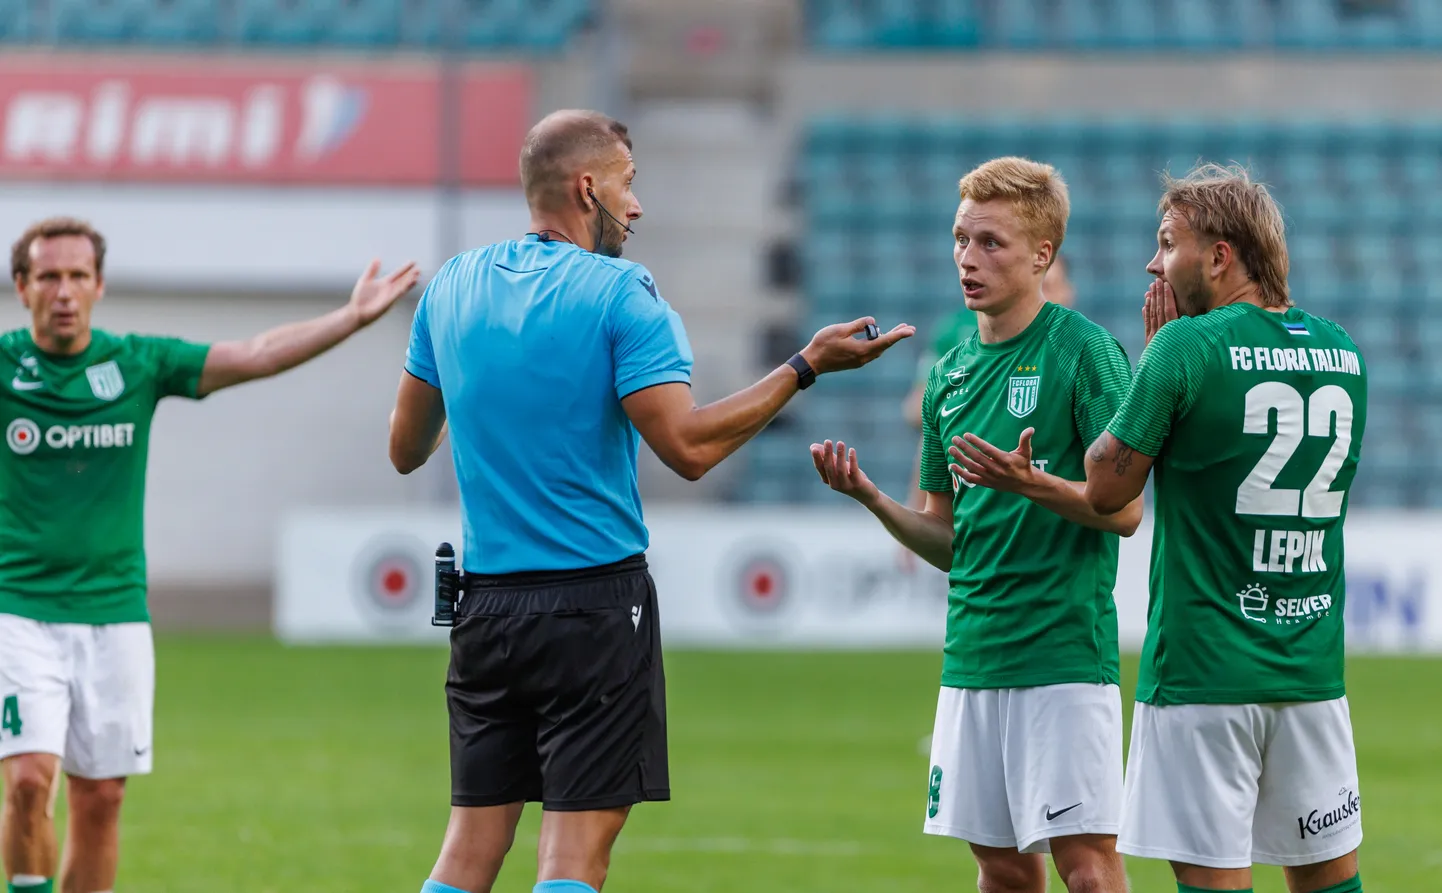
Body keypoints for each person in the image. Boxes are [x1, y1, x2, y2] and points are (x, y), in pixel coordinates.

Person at [387, 109, 912, 893]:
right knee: (572, 858)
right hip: (592, 607)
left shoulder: (453, 285)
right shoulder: (621, 293)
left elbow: (405, 448)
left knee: (466, 852)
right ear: (586, 187)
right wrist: (805, 366)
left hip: (485, 608)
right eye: (629, 186)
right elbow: (688, 448)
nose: (637, 206)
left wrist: (492, 402)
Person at [0, 217, 420, 893]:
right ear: (23, 287)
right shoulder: (3, 364)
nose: (65, 291)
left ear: (99, 285)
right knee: (26, 779)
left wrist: (348, 318)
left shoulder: (137, 361)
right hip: (17, 610)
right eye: (48, 275)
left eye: (78, 275)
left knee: (101, 796)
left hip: (115, 613)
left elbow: (255, 352)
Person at [809, 157, 1139, 893]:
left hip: (1062, 656)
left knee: (1086, 864)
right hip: (971, 657)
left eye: (990, 242)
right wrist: (870, 497)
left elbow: (1125, 511)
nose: (968, 257)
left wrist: (1034, 483)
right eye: (961, 238)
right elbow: (948, 539)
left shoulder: (1087, 353)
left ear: (1042, 255)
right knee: (1001, 868)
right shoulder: (951, 376)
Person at [1084, 164, 1367, 893]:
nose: (1154, 262)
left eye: (1168, 242)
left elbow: (1106, 484)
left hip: (1204, 677)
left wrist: (1152, 361)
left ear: (1220, 255)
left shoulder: (1184, 348)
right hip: (1309, 674)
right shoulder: (1343, 352)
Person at [896, 254, 1076, 568]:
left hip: (1053, 536)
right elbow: (921, 414)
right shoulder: (958, 333)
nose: (1047, 297)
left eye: (1054, 286)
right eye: (1041, 286)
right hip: (974, 516)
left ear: (1069, 293)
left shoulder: (1078, 352)